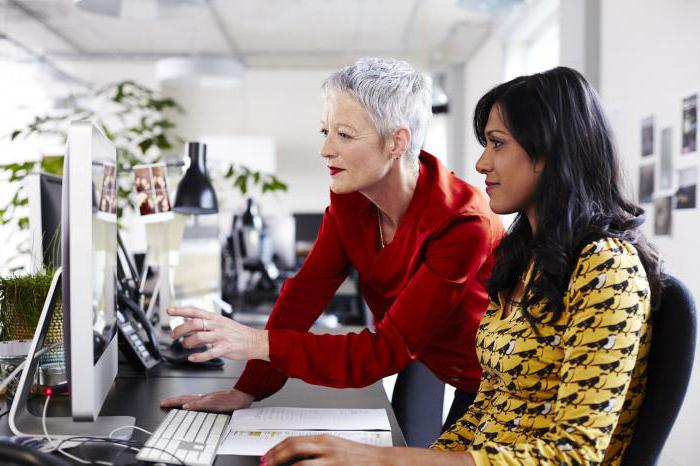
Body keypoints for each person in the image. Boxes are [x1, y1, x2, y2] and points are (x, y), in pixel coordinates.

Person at [259, 67, 663, 466]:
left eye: (497, 144)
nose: (482, 163)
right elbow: (486, 411)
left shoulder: (606, 268)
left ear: (549, 153)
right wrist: (413, 459)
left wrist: (388, 461)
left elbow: (572, 455)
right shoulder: (526, 260)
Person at [161, 57, 504, 431]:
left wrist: (257, 342)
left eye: (343, 134)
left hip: (494, 379)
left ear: (396, 141)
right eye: (325, 131)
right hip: (424, 351)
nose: (325, 149)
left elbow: (384, 351)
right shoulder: (352, 199)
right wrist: (248, 390)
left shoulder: (464, 223)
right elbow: (305, 293)